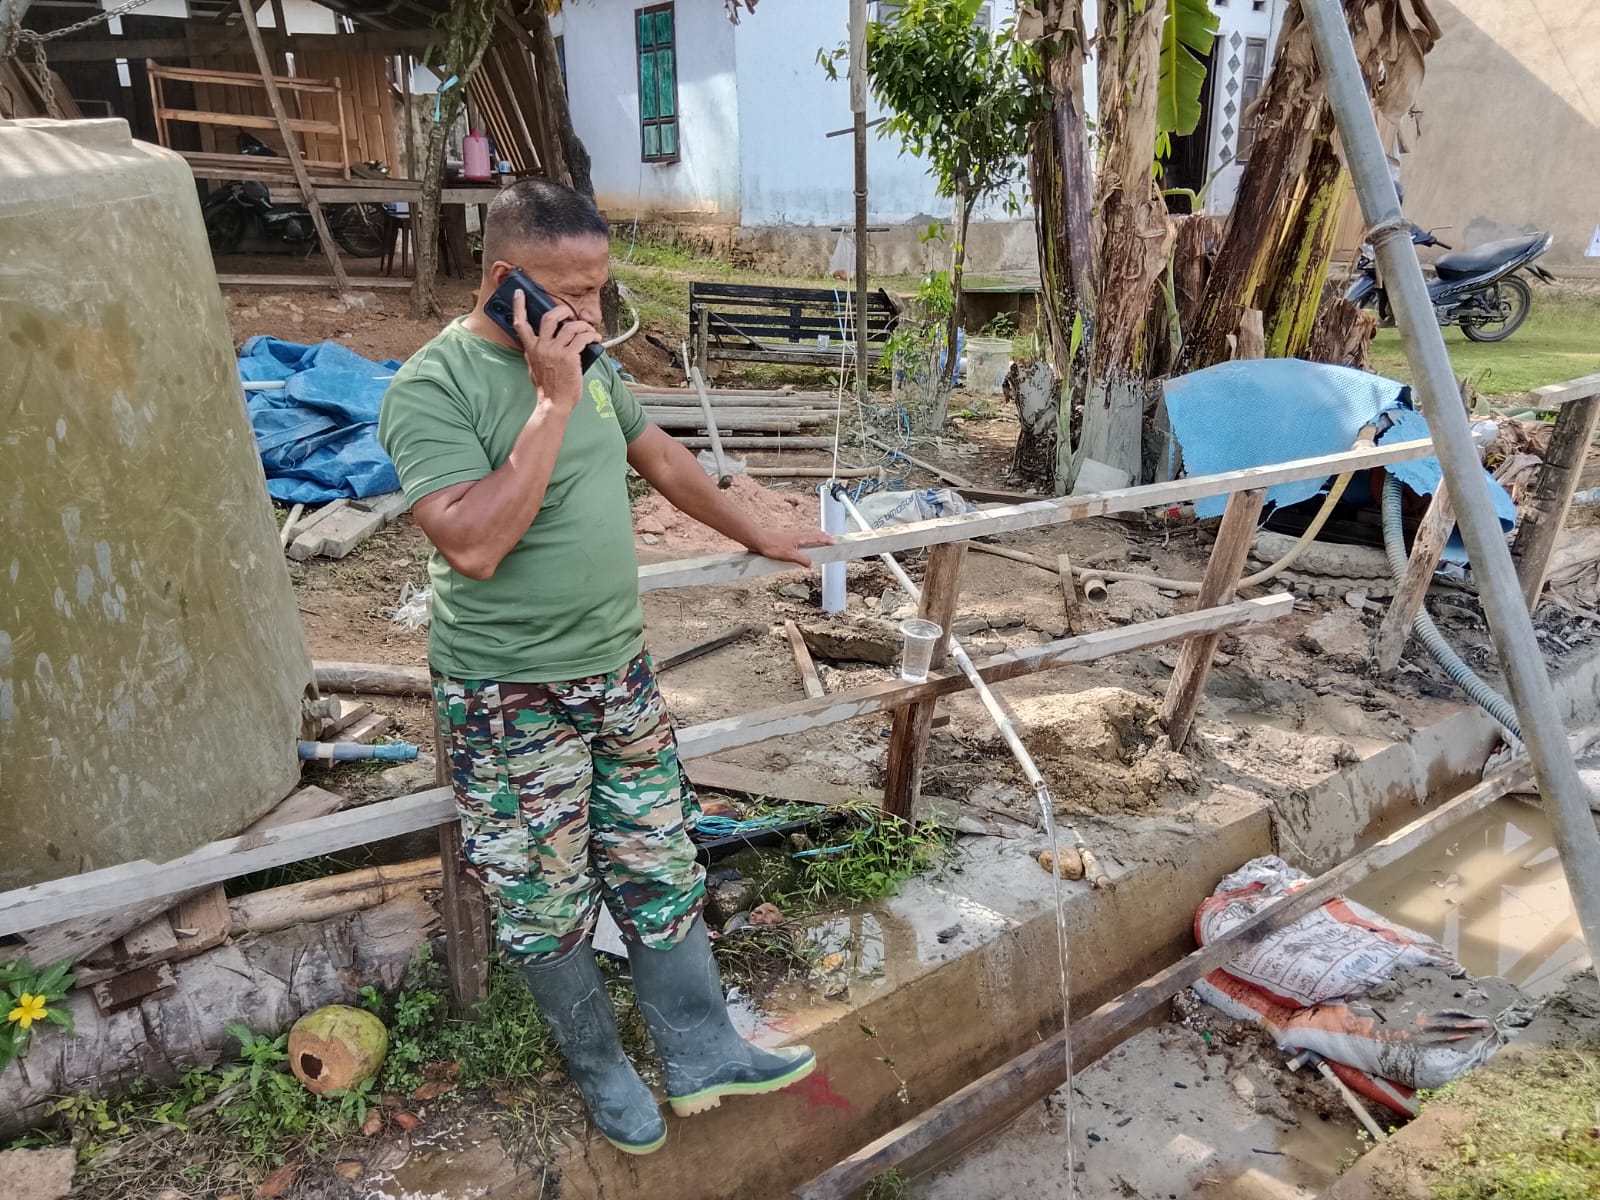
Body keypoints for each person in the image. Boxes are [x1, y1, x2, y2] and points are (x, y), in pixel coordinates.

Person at [377, 179, 831, 1154]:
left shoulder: (588, 360)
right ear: (505, 280)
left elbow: (657, 454)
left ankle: (701, 1051)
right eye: (570, 291)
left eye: (599, 286)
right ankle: (601, 1071)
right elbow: (472, 545)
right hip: (509, 694)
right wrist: (551, 402)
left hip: (617, 672)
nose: (591, 311)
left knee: (658, 856)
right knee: (539, 892)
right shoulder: (432, 387)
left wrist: (757, 528)